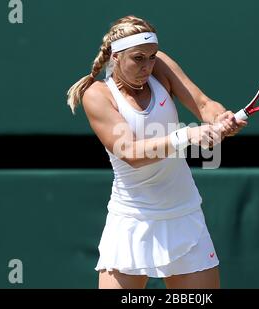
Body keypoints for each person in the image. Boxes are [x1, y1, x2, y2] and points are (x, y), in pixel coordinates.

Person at [67, 15, 247, 289]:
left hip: (183, 215)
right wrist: (187, 134)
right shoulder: (97, 95)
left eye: (151, 57)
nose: (148, 66)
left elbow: (203, 103)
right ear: (115, 57)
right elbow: (129, 151)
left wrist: (221, 119)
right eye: (138, 58)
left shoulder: (159, 66)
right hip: (130, 221)